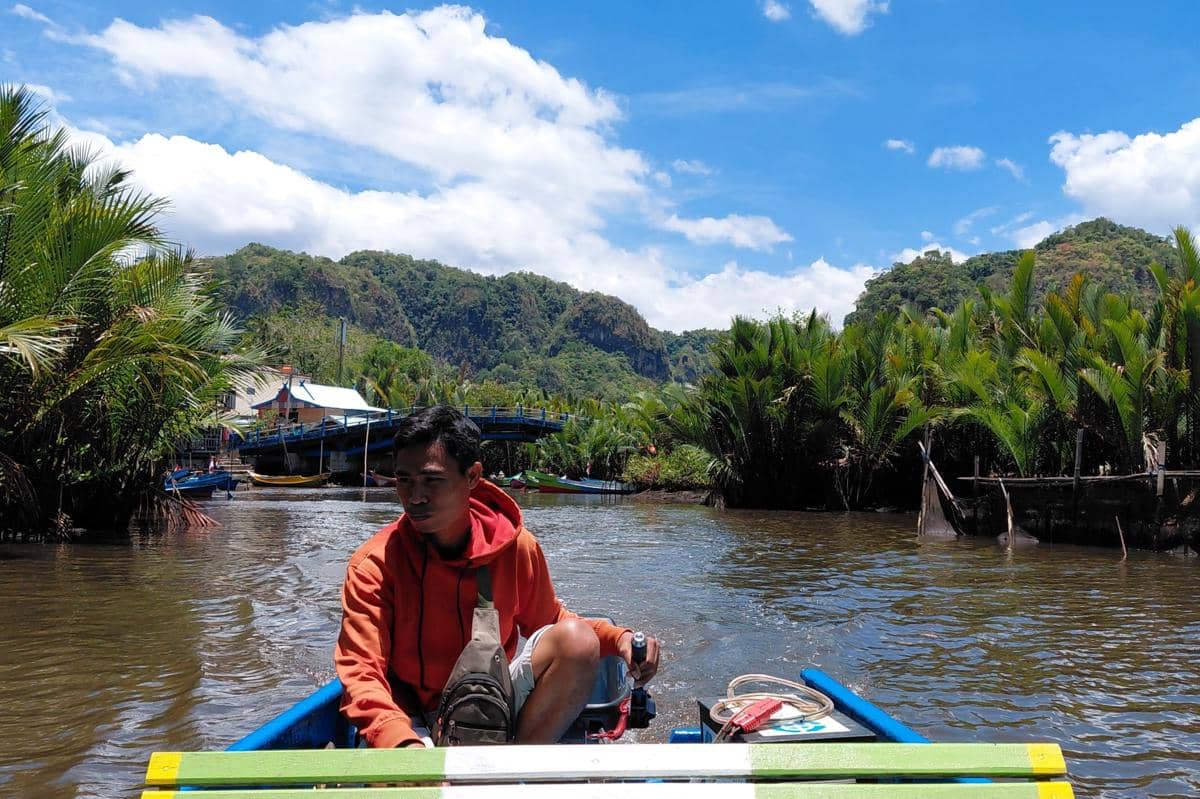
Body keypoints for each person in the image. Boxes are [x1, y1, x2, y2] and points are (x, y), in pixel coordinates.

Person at [335, 406, 660, 748]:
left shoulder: (515, 548)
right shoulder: (374, 565)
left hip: (491, 704)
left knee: (579, 641)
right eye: (404, 480)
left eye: (432, 480)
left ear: (472, 477)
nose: (414, 497)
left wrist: (621, 639)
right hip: (409, 717)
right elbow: (361, 671)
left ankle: (509, 767)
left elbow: (550, 621)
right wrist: (403, 744)